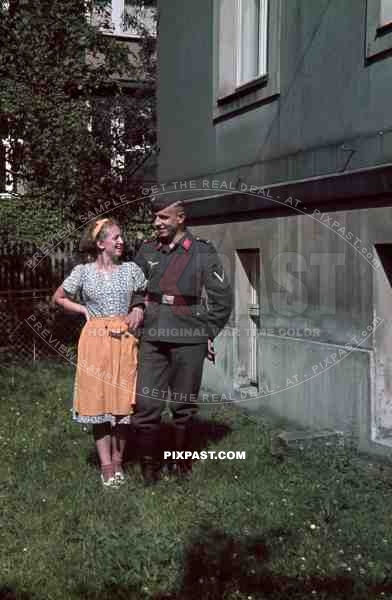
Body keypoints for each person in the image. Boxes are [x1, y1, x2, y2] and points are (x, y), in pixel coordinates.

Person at [133, 196, 233, 483]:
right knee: (146, 404)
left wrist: (207, 332)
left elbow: (222, 298)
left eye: (163, 217)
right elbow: (134, 286)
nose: (156, 223)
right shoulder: (148, 250)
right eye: (155, 217)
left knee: (183, 407)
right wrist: (138, 306)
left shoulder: (202, 252)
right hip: (152, 335)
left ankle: (181, 468)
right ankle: (149, 471)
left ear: (180, 218)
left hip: (189, 336)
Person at [53, 217, 146, 487]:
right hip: (94, 341)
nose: (121, 242)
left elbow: (145, 294)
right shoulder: (83, 272)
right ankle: (106, 465)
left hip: (124, 340)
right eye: (115, 237)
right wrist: (83, 310)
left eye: (121, 237)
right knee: (99, 403)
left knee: (123, 403)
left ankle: (119, 459)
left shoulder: (131, 269)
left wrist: (138, 308)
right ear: (100, 243)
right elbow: (58, 296)